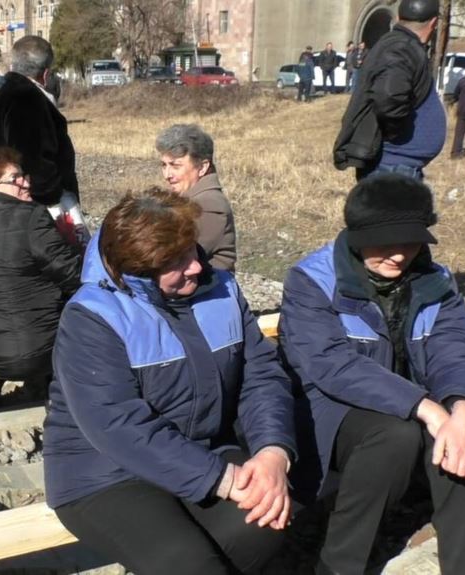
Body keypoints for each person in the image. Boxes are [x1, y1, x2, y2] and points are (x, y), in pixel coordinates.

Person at [43, 189, 296, 575]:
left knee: (265, 519)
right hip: (105, 471)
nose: (195, 267)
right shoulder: (92, 317)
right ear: (137, 270)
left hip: (203, 447)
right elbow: (117, 425)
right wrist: (222, 479)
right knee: (186, 562)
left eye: (192, 250)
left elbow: (260, 375)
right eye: (176, 263)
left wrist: (272, 453)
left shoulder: (222, 290)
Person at [279, 174, 465, 575]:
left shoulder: (435, 280)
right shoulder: (311, 281)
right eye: (386, 242)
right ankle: (340, 566)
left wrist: (463, 408)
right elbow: (331, 366)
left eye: (410, 242)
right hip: (333, 410)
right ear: (356, 235)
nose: (399, 255)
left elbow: (458, 346)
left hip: (413, 403)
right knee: (396, 436)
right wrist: (425, 407)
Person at [0, 148, 82, 411]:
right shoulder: (29, 216)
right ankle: (61, 403)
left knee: (4, 299)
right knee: (82, 308)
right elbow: (72, 275)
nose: (25, 182)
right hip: (27, 354)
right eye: (16, 179)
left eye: (23, 175)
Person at [0, 36, 85, 245]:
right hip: (32, 207)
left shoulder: (5, 93)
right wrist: (54, 195)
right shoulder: (28, 99)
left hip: (2, 198)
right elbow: (34, 160)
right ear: (45, 74)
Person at [334, 0, 444, 181]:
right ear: (433, 23)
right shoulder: (401, 48)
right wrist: (395, 133)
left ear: (399, 17)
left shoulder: (400, 45)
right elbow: (389, 98)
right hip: (391, 167)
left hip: (395, 167)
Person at [155, 124, 236, 272]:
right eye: (164, 165)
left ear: (202, 167)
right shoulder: (187, 198)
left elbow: (171, 258)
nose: (167, 175)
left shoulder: (208, 205)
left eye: (175, 166)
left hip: (208, 291)